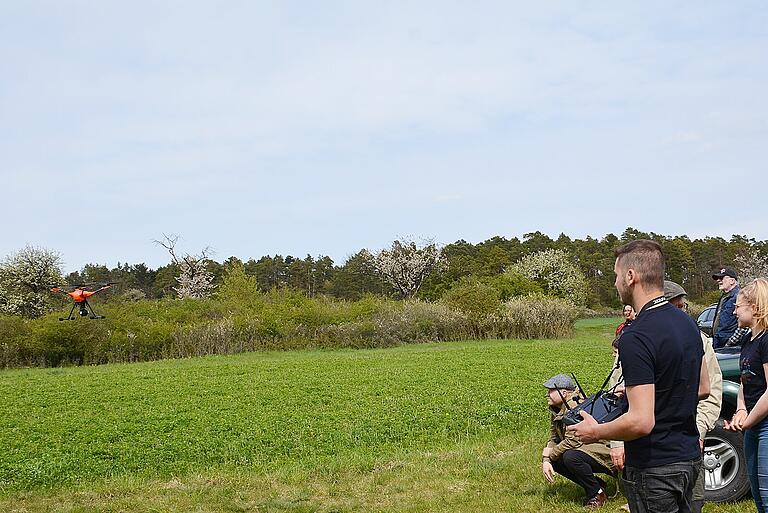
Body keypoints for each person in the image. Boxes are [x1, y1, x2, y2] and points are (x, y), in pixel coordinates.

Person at [568, 239, 709, 513]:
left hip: (655, 469)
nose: (615, 283)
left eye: (616, 275)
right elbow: (702, 387)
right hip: (690, 460)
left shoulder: (635, 336)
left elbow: (642, 422)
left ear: (631, 276)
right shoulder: (688, 323)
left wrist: (595, 432)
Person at [663, 280, 723, 513]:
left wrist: (698, 429)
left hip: (688, 439)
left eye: (684, 307)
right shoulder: (639, 340)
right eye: (675, 307)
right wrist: (618, 442)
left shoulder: (701, 341)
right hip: (650, 449)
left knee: (693, 503)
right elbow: (622, 396)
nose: (682, 313)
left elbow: (712, 392)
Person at [723, 278, 768, 512]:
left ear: (755, 307)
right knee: (759, 498)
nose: (734, 310)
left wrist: (747, 421)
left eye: (738, 306)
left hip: (765, 425)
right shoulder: (749, 340)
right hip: (754, 426)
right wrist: (741, 409)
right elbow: (744, 380)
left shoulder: (767, 340)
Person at [541, 373, 615, 509]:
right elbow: (554, 438)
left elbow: (572, 441)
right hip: (586, 448)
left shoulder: (576, 406)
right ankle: (596, 484)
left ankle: (597, 494)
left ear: (563, 392)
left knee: (570, 457)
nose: (547, 395)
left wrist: (550, 454)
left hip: (604, 450)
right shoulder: (557, 409)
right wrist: (547, 459)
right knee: (557, 459)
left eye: (550, 391)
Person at [712, 267, 741, 348]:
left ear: (732, 281)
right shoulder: (723, 297)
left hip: (730, 346)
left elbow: (744, 325)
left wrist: (730, 342)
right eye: (718, 278)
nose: (718, 280)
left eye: (721, 278)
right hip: (719, 341)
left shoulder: (739, 296)